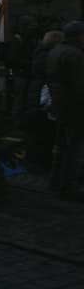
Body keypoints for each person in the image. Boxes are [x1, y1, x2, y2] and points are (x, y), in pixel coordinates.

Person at [45, 20, 84, 200]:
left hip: (60, 104)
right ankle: (68, 185)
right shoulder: (76, 55)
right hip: (74, 107)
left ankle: (56, 180)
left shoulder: (55, 51)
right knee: (73, 147)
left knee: (62, 145)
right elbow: (79, 86)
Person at [25, 30, 62, 173]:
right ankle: (38, 162)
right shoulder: (46, 56)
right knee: (41, 132)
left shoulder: (41, 53)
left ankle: (37, 161)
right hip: (41, 96)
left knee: (40, 132)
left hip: (37, 95)